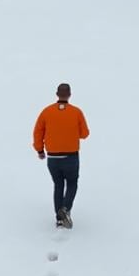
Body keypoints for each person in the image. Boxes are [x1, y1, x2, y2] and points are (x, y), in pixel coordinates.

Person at [32, 83, 90, 228]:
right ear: (70, 94)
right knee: (72, 183)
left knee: (58, 185)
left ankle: (59, 219)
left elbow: (38, 132)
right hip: (71, 156)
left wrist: (40, 150)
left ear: (57, 94)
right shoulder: (76, 112)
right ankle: (65, 209)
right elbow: (84, 134)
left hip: (53, 158)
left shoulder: (46, 112)